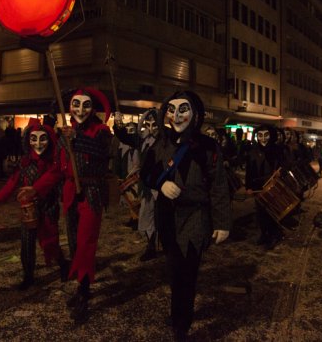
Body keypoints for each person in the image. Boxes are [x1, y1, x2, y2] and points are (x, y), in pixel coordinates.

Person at [141, 90, 230, 341]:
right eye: (172, 109)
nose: (177, 115)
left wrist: (223, 223)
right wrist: (160, 185)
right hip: (168, 218)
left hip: (195, 218)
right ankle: (177, 315)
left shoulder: (208, 146)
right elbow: (145, 174)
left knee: (188, 272)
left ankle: (183, 323)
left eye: (183, 109)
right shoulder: (160, 144)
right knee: (173, 270)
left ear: (195, 113)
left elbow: (218, 185)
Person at [0, 118, 69, 289]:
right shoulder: (25, 163)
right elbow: (12, 183)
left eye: (42, 138)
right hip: (28, 210)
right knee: (26, 243)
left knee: (50, 241)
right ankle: (28, 276)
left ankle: (63, 265)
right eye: (34, 138)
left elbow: (57, 178)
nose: (38, 143)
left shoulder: (54, 163)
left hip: (48, 207)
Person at [59, 87, 112, 323]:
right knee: (73, 241)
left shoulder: (101, 131)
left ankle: (83, 290)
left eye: (85, 105)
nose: (80, 110)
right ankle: (82, 284)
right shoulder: (65, 132)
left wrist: (77, 139)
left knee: (86, 242)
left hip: (91, 192)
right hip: (70, 192)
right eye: (76, 104)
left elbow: (103, 152)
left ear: (93, 108)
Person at [114, 108, 160, 261]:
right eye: (148, 125)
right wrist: (119, 124)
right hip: (147, 186)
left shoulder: (166, 140)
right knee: (146, 216)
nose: (151, 128)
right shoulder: (141, 140)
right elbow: (125, 137)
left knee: (162, 218)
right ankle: (151, 245)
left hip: (163, 186)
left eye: (155, 125)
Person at [245, 124, 284, 249]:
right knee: (260, 213)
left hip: (272, 186)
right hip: (258, 186)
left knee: (271, 212)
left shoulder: (277, 150)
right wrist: (248, 187)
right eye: (260, 135)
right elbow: (249, 171)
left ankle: (274, 235)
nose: (263, 138)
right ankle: (264, 234)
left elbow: (285, 165)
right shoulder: (253, 151)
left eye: (266, 135)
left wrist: (280, 171)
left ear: (271, 135)